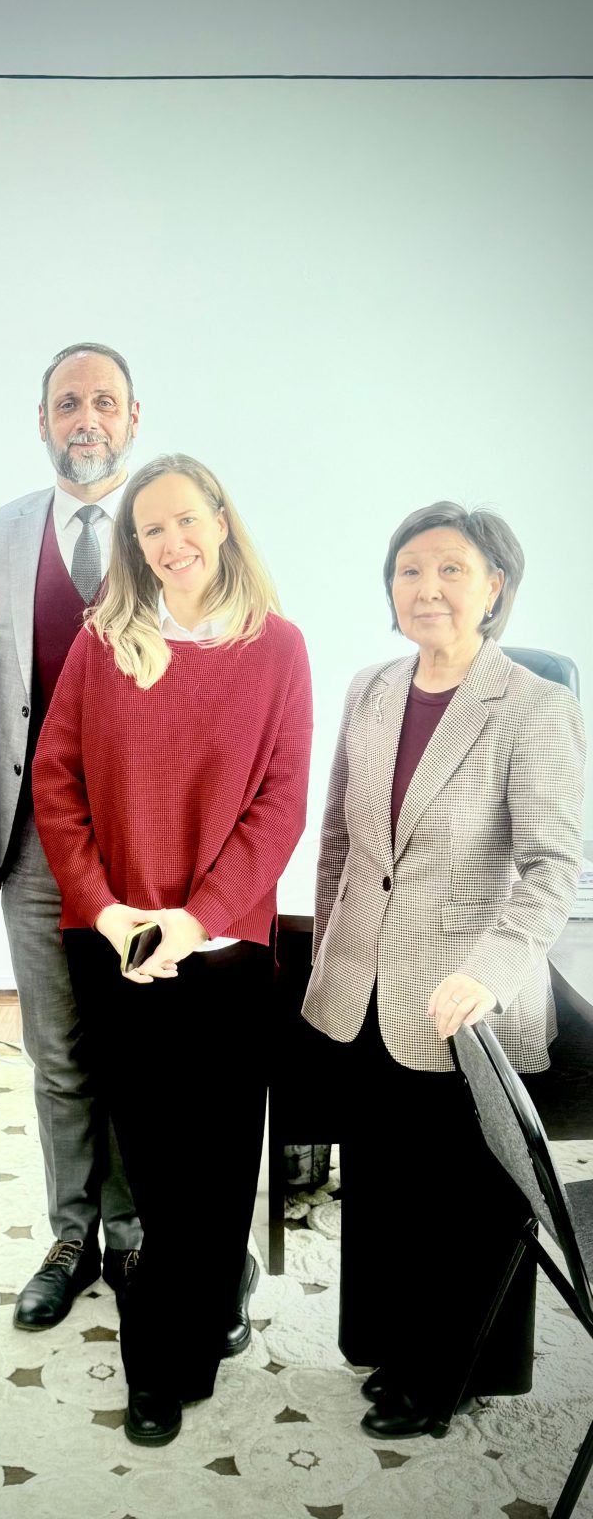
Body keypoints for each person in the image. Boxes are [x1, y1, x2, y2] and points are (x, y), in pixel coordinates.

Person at [33, 453, 312, 1446]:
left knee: (221, 1161)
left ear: (221, 521)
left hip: (225, 947)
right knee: (152, 1169)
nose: (172, 541)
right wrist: (109, 913)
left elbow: (281, 804)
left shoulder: (278, 648)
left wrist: (195, 921)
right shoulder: (103, 642)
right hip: (117, 944)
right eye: (151, 528)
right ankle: (159, 1362)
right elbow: (56, 783)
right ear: (134, 544)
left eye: (187, 519)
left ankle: (198, 1323)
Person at [302, 502, 585, 1440]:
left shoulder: (534, 706)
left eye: (451, 569)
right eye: (409, 570)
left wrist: (490, 973)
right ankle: (396, 1349)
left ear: (495, 586)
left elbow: (552, 868)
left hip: (465, 1000)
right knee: (389, 1189)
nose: (427, 588)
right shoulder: (371, 688)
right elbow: (342, 842)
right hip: (365, 988)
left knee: (461, 1203)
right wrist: (328, 963)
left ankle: (449, 1375)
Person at [0, 342, 143, 1329]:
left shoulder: (170, 527)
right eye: (68, 403)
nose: (87, 419)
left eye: (104, 402)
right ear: (42, 420)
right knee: (60, 1051)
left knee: (135, 1050)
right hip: (35, 840)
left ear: (133, 417)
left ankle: (135, 1232)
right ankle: (72, 1235)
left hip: (145, 845)